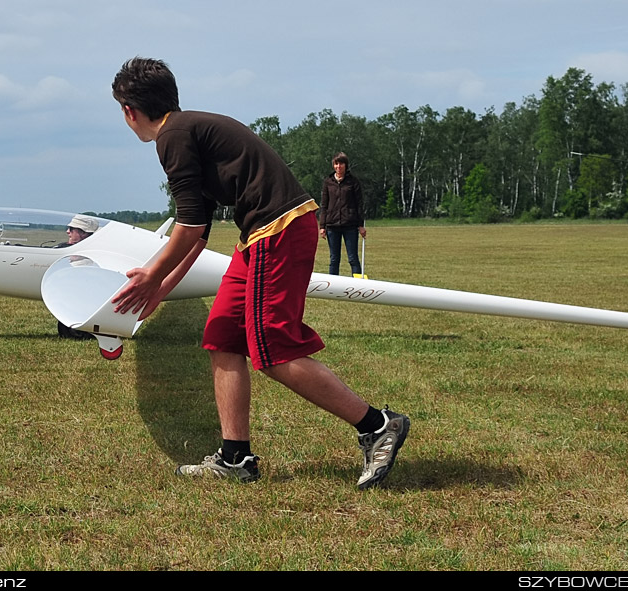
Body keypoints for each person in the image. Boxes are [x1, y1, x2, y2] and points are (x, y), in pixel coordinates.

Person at [109, 57, 409, 489]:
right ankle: (235, 459)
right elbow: (198, 232)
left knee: (271, 348)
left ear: (128, 110)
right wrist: (163, 288)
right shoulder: (187, 129)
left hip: (278, 229)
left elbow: (189, 225)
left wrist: (152, 276)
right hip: (262, 234)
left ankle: (378, 426)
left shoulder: (172, 136)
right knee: (223, 336)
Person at [318, 152, 367, 276]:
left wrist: (361, 225)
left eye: (341, 164)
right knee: (334, 259)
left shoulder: (353, 182)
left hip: (350, 225)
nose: (338, 167)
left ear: (346, 165)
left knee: (353, 259)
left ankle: (358, 287)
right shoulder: (328, 182)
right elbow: (324, 205)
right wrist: (322, 226)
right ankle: (332, 289)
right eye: (336, 164)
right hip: (332, 226)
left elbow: (359, 205)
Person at [57, 214, 99, 339]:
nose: (67, 232)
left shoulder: (87, 256)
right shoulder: (68, 247)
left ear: (84, 233)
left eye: (71, 229)